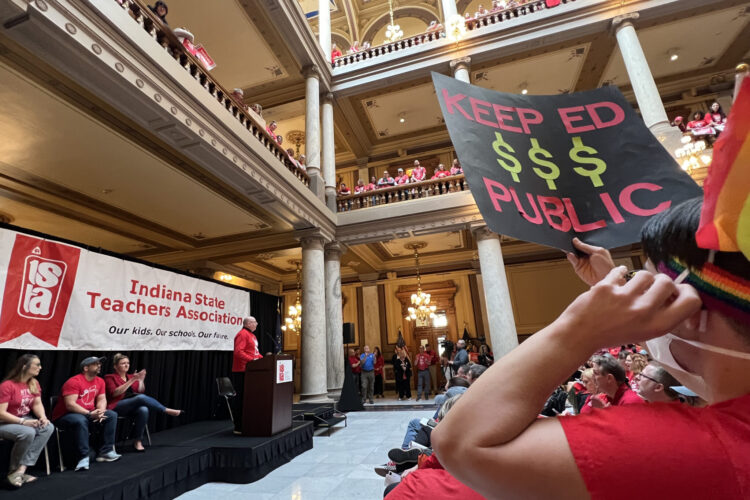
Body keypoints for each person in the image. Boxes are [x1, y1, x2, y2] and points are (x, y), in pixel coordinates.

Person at [433, 197, 750, 498]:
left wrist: (578, 328)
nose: (645, 304)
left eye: (654, 290)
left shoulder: (697, 451)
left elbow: (457, 443)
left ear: (691, 313)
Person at [51, 357, 120, 471]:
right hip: (66, 415)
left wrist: (101, 412)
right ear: (85, 368)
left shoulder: (100, 381)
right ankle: (83, 456)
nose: (99, 366)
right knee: (80, 420)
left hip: (89, 413)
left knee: (111, 415)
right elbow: (70, 405)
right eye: (95, 364)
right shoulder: (74, 381)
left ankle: (106, 452)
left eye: (99, 364)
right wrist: (89, 413)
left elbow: (102, 399)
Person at [105, 353, 182, 452]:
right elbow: (115, 393)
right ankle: (166, 410)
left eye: (127, 363)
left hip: (131, 407)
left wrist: (141, 380)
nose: (126, 365)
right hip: (116, 407)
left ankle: (138, 441)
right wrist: (132, 380)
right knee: (140, 398)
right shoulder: (110, 377)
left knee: (144, 409)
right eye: (123, 363)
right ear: (115, 366)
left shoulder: (131, 376)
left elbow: (140, 391)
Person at [0, 354, 53, 488]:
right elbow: (1, 413)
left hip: (23, 420)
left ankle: (20, 470)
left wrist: (43, 417)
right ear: (25, 366)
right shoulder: (7, 385)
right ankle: (13, 471)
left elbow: (37, 404)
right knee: (28, 432)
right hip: (4, 422)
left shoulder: (33, 383)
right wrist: (23, 421)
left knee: (47, 427)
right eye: (37, 364)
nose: (40, 368)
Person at [231, 316, 262, 433]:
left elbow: (255, 353)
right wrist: (252, 361)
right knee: (241, 399)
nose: (257, 324)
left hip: (250, 371)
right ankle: (238, 426)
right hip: (242, 371)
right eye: (255, 322)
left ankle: (248, 424)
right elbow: (238, 352)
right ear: (248, 323)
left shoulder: (252, 335)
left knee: (249, 398)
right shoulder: (242, 334)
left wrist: (264, 359)